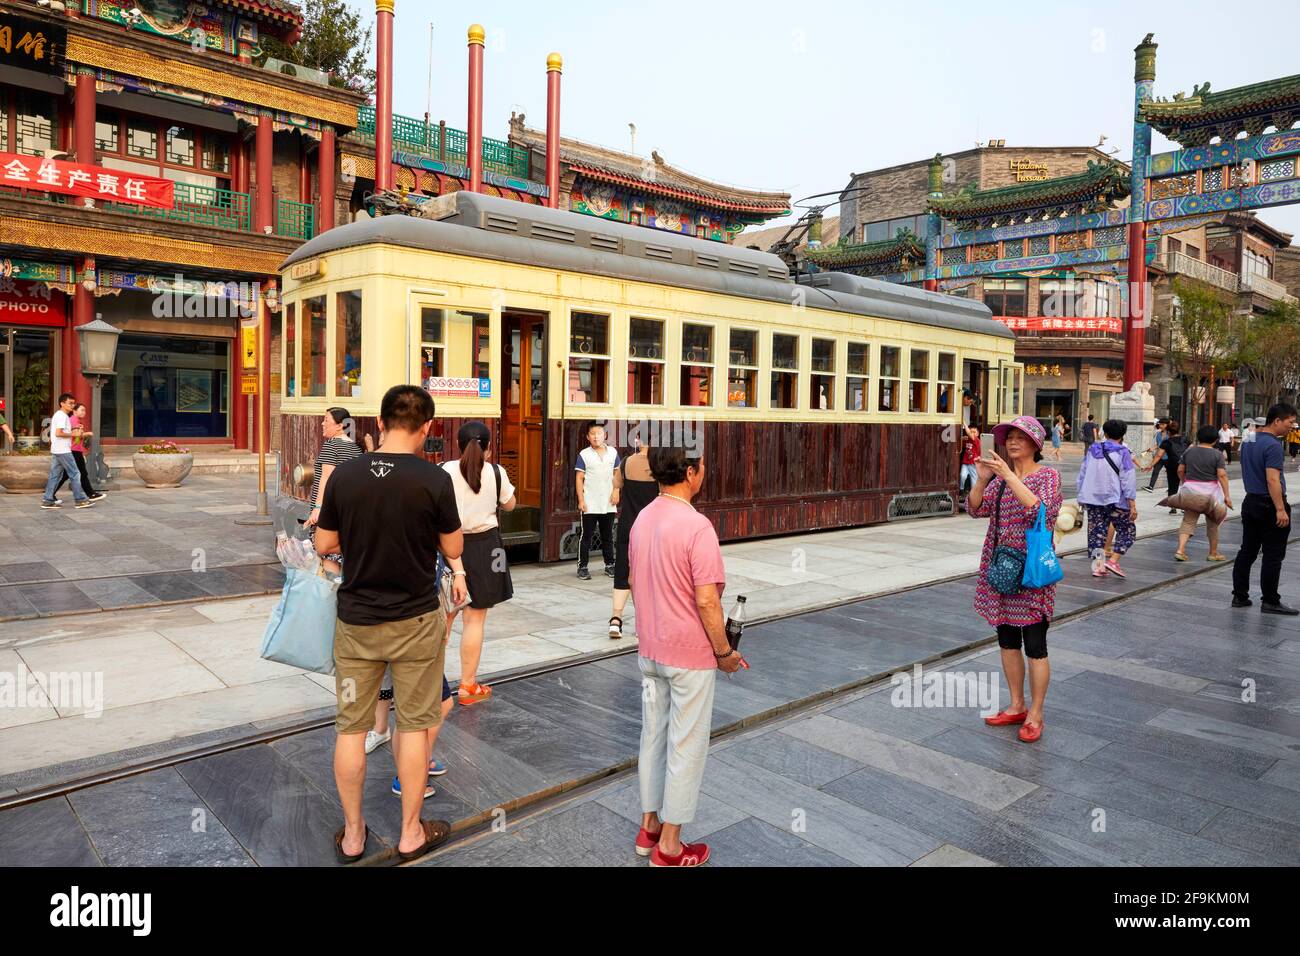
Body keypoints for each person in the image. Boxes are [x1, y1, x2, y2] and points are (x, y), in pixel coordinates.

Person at [313, 384, 466, 864]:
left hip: (357, 623)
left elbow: (322, 544)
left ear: (378, 424)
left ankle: (354, 835)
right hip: (416, 622)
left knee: (351, 730)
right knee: (416, 726)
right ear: (426, 429)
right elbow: (454, 548)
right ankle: (409, 833)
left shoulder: (346, 475)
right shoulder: (433, 479)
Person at [630, 444, 744, 867]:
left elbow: (634, 577)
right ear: (692, 472)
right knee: (687, 745)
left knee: (653, 736)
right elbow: (708, 601)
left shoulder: (643, 518)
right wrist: (724, 652)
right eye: (703, 468)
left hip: (650, 649)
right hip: (689, 654)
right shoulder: (697, 527)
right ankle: (671, 847)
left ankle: (649, 826)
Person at [966, 415, 1062, 744]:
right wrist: (982, 480)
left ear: (1036, 444)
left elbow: (1041, 511)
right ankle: (1017, 704)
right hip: (1003, 570)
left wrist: (1008, 475)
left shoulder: (1047, 476)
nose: (1012, 442)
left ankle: (1036, 713)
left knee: (1035, 644)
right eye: (1009, 438)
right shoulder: (1000, 480)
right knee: (1007, 639)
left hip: (1032, 571)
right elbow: (976, 509)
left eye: (1020, 437)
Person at [442, 421, 517, 705]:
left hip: (449, 548)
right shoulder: (496, 472)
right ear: (488, 448)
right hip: (486, 549)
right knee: (475, 620)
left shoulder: (444, 470)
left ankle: (428, 688)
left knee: (444, 621)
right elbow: (510, 504)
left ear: (459, 445)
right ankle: (467, 687)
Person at [1232, 402, 1298, 615]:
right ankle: (1270, 600)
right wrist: (1280, 508)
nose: (1292, 426)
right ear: (1277, 420)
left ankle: (1239, 596)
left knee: (1247, 551)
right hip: (1269, 505)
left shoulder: (1250, 439)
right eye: (1290, 422)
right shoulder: (1273, 445)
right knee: (1272, 555)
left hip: (1250, 501)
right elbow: (1273, 479)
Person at [1077, 419, 1138, 578]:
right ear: (1123, 434)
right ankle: (1113, 561)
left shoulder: (1092, 449)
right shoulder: (1123, 452)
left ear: (1105, 432)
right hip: (1115, 500)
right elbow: (1128, 479)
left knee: (1097, 533)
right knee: (1127, 531)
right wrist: (1132, 503)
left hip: (1092, 499)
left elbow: (1082, 473)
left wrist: (1081, 495)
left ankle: (1098, 567)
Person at [610, 440, 658, 639]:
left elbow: (616, 484)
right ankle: (642, 623)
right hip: (653, 528)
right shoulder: (660, 466)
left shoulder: (626, 462)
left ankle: (616, 620)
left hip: (628, 526)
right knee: (648, 576)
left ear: (638, 440)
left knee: (623, 570)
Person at [304, 408, 360, 575]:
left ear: (339, 426)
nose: (322, 423)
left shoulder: (331, 445)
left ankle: (330, 596)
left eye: (326, 420)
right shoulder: (355, 448)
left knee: (328, 554)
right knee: (343, 553)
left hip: (329, 511)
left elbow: (326, 479)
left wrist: (317, 509)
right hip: (348, 511)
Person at [1175, 425, 1233, 563]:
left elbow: (1180, 470)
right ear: (1215, 440)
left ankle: (1180, 550)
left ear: (1198, 438)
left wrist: (1185, 482)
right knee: (1213, 524)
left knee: (1188, 521)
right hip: (1210, 494)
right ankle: (1213, 553)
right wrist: (1227, 496)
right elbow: (1222, 475)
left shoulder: (1189, 452)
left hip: (1191, 491)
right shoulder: (1217, 454)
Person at [575, 421, 620, 580]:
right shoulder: (584, 454)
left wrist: (616, 491)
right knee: (586, 536)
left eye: (599, 433)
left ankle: (610, 565)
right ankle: (583, 567)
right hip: (590, 501)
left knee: (607, 535)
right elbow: (579, 478)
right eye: (593, 434)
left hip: (608, 501)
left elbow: (617, 474)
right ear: (588, 437)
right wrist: (581, 500)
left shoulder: (613, 452)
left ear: (605, 435)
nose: (596, 437)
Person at [41, 394, 92, 510]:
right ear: (62, 403)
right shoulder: (62, 416)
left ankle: (48, 500)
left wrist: (73, 429)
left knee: (54, 475)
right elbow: (58, 433)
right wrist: (73, 433)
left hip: (57, 449)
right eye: (70, 403)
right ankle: (80, 500)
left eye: (73, 403)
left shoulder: (61, 415)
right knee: (75, 473)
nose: (72, 405)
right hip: (63, 450)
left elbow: (61, 431)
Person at [54, 403, 105, 502]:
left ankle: (50, 493)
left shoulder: (75, 421)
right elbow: (74, 436)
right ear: (75, 411)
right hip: (73, 450)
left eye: (84, 410)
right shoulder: (73, 420)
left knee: (67, 474)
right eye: (81, 410)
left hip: (75, 450)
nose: (84, 412)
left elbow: (76, 439)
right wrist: (86, 434)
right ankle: (90, 494)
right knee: (81, 473)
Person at [1147, 420, 1187, 513]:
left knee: (1172, 486)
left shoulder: (1167, 442)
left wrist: (1150, 465)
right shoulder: (1185, 439)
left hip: (1172, 466)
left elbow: (1158, 455)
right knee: (1186, 485)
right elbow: (1192, 450)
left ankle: (1173, 508)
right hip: (1184, 465)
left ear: (1168, 432)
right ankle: (1185, 507)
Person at [958, 426, 981, 509]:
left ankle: (973, 502)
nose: (972, 433)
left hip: (974, 465)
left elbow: (970, 435)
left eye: (974, 432)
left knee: (974, 484)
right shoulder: (968, 440)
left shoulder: (977, 441)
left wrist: (964, 423)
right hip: (966, 463)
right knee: (962, 475)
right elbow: (960, 441)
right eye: (971, 431)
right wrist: (962, 439)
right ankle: (961, 489)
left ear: (978, 434)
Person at [1144, 419, 1168, 492]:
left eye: (1163, 424)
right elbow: (1158, 444)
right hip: (1159, 456)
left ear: (1167, 425)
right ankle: (1151, 486)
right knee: (1155, 470)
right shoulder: (1158, 434)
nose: (1161, 426)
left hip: (1169, 457)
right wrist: (1152, 448)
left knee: (1170, 472)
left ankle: (1171, 487)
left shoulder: (1170, 434)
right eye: (1160, 424)